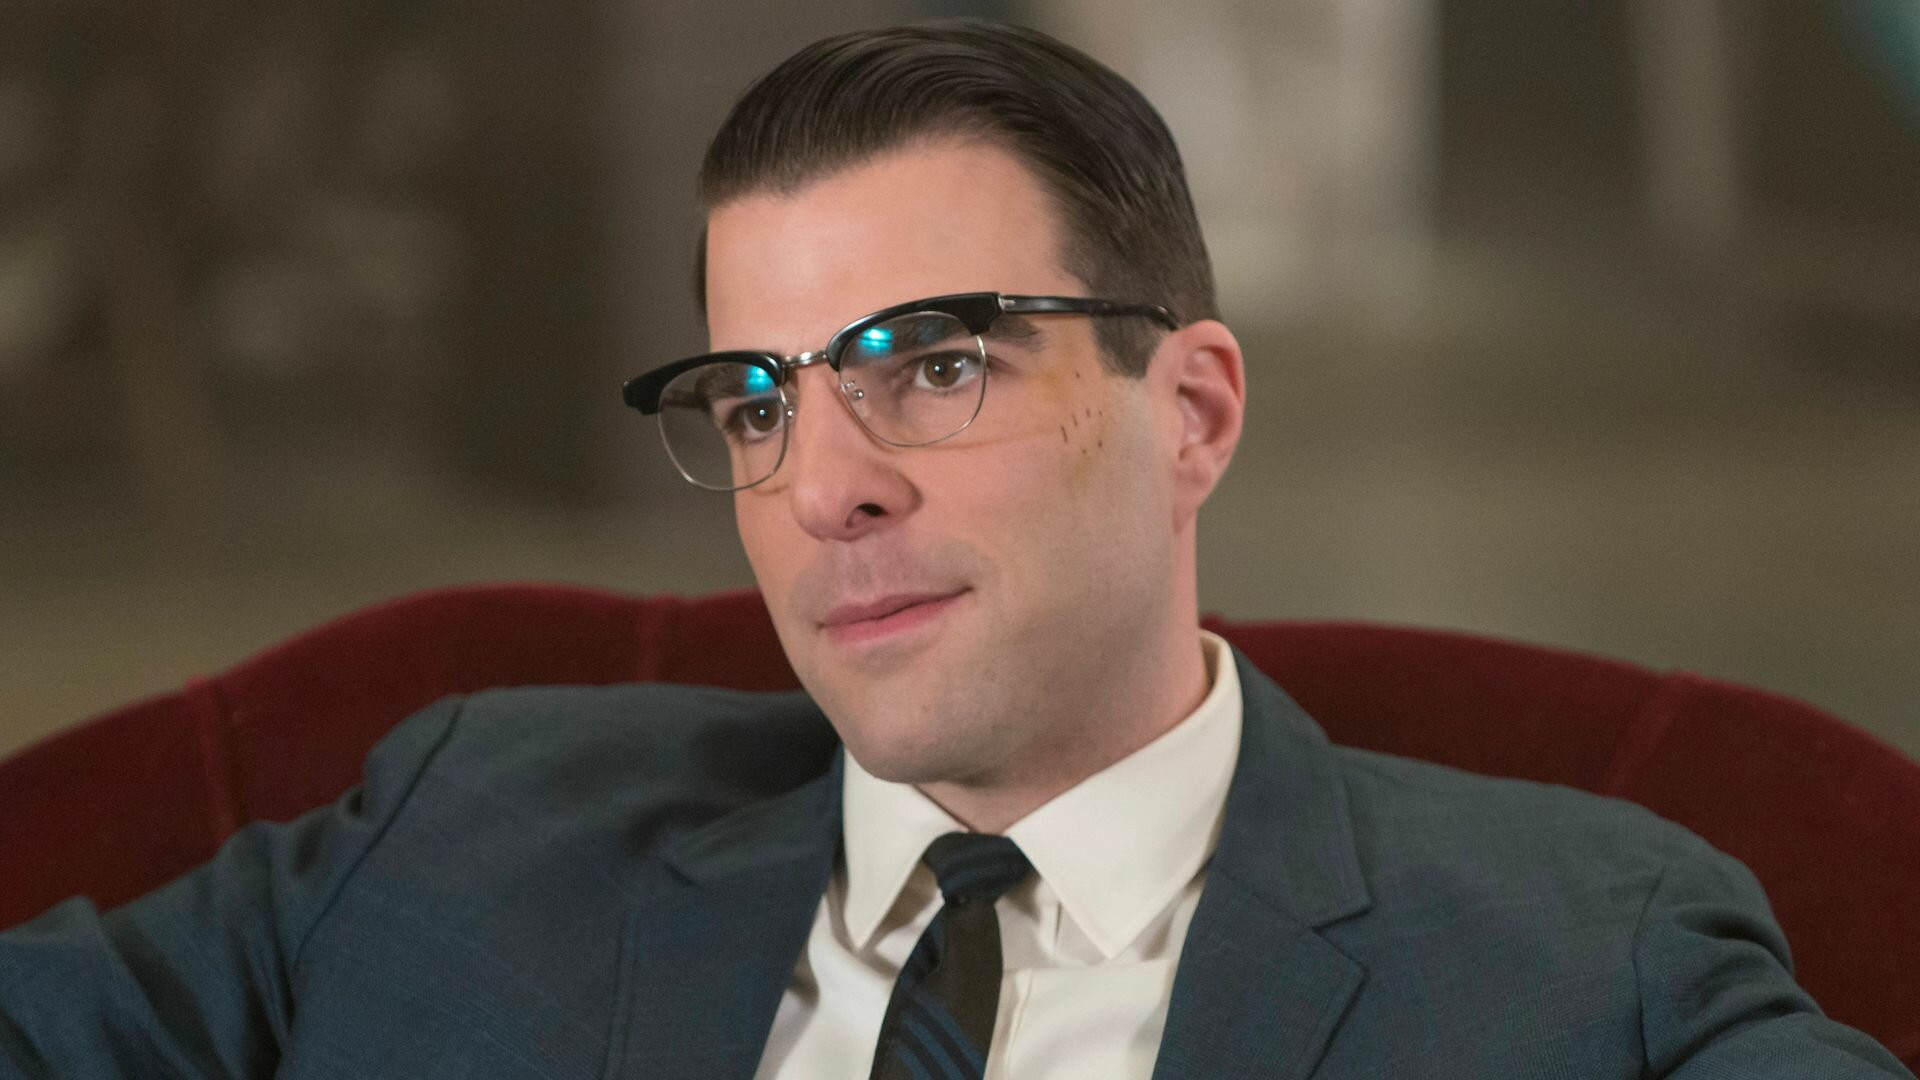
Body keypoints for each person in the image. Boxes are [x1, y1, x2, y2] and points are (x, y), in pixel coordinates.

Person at [0, 18, 1909, 1080]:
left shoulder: (1588, 966)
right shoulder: (468, 829)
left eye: (931, 365)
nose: (823, 487)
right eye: (757, 398)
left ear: (1193, 412)